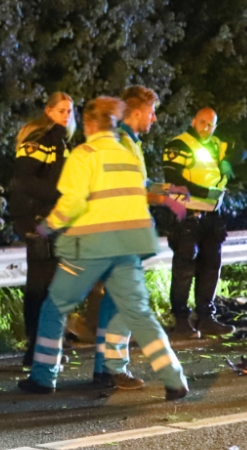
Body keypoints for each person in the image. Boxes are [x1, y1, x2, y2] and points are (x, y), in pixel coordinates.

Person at [17, 96, 189, 400]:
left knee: (55, 307)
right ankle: (174, 378)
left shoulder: (83, 154)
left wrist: (44, 228)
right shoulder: (127, 155)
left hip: (91, 247)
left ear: (88, 124)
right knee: (140, 314)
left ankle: (43, 377)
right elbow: (140, 196)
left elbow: (71, 203)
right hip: (128, 248)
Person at [92, 86, 187, 390]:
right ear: (135, 113)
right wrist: (171, 198)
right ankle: (110, 368)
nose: (154, 118)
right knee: (122, 303)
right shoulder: (121, 143)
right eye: (150, 112)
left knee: (117, 302)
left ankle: (106, 368)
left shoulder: (129, 142)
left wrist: (171, 192)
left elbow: (140, 185)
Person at [10, 92, 75, 366]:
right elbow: (23, 180)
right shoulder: (40, 139)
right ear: (48, 112)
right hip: (41, 223)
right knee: (41, 289)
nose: (67, 115)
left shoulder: (62, 141)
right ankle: (38, 348)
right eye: (61, 110)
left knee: (50, 288)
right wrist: (59, 195)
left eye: (70, 111)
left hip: (55, 222)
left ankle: (45, 346)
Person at [162, 108, 234, 337]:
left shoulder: (215, 145)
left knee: (211, 265)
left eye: (211, 124)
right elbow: (174, 178)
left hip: (212, 214)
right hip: (187, 214)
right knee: (184, 267)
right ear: (193, 121)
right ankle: (181, 320)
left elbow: (227, 163)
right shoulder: (179, 145)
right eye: (202, 122)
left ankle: (206, 317)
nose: (206, 128)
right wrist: (206, 193)